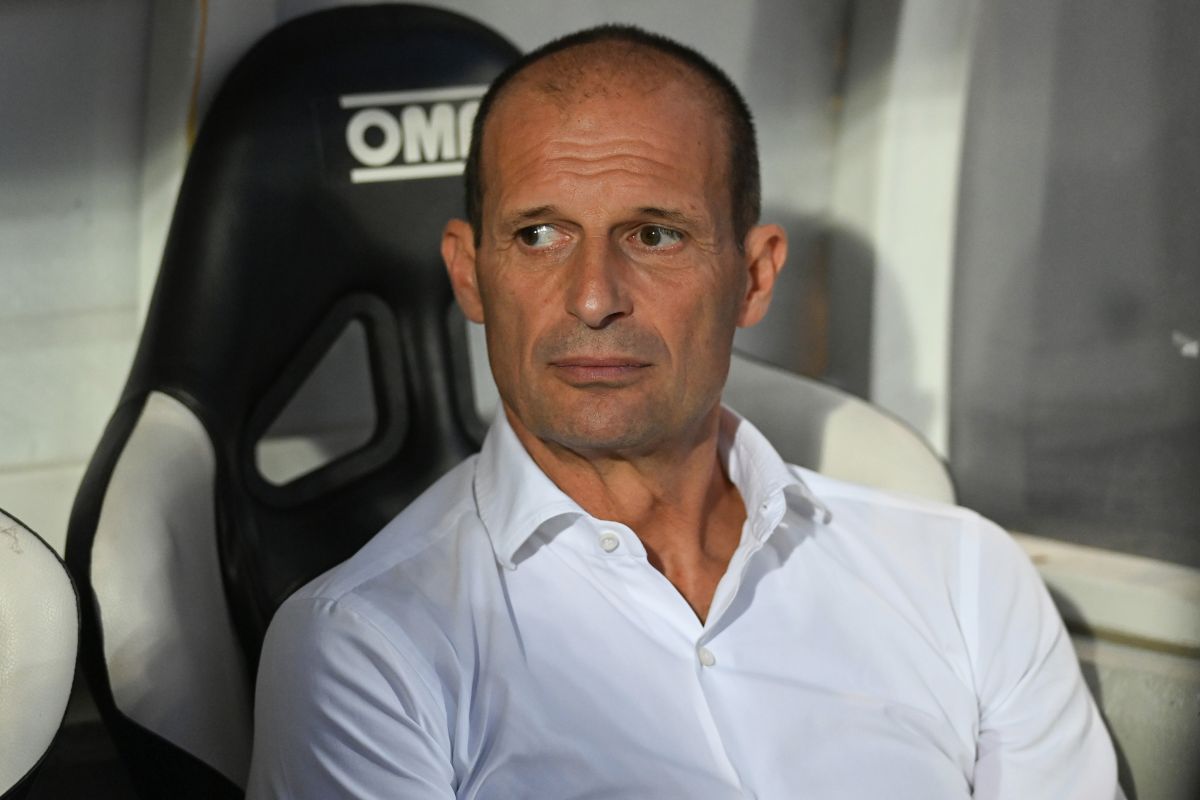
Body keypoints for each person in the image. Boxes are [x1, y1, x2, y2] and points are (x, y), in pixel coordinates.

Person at [247, 25, 1121, 799]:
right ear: (471, 274)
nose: (594, 298)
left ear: (754, 277)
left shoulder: (965, 580)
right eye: (539, 235)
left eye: (654, 235)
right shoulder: (364, 649)